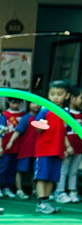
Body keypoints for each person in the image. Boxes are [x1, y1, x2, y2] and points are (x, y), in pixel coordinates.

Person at [31, 79, 73, 215]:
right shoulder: (45, 110)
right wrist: (41, 124)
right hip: (44, 150)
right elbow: (36, 128)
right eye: (52, 94)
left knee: (52, 178)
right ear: (48, 95)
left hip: (58, 151)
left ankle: (46, 201)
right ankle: (41, 202)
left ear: (66, 96)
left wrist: (67, 147)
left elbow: (64, 132)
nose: (55, 97)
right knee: (42, 176)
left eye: (59, 94)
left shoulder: (66, 113)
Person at [0, 96, 24, 199]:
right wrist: (0, 146)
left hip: (17, 147)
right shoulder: (5, 115)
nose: (16, 105)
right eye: (13, 102)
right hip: (5, 147)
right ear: (9, 102)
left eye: (18, 103)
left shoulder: (23, 115)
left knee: (12, 168)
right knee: (2, 167)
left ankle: (7, 187)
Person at [56, 85, 82, 204]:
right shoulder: (64, 113)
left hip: (79, 148)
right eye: (81, 98)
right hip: (66, 148)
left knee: (74, 171)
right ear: (72, 98)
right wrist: (66, 147)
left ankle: (72, 191)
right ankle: (60, 192)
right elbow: (62, 132)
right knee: (63, 170)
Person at [13, 100, 39, 200]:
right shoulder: (26, 118)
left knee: (34, 171)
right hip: (25, 149)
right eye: (33, 102)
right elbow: (17, 131)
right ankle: (19, 190)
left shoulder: (41, 118)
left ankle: (35, 190)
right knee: (20, 170)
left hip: (37, 150)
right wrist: (10, 142)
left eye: (38, 103)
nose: (36, 105)